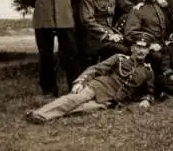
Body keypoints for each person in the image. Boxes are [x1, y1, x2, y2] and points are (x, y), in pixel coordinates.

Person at [25, 31, 156, 124]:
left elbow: (150, 92)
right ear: (132, 48)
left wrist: (147, 100)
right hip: (97, 86)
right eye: (138, 46)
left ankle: (42, 113)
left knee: (81, 109)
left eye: (145, 48)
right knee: (74, 99)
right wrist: (80, 82)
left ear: (149, 50)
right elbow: (95, 69)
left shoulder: (148, 71)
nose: (141, 51)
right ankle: (40, 115)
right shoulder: (119, 58)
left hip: (110, 101)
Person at [80, 0, 133, 66]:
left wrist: (142, 5)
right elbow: (88, 21)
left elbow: (129, 7)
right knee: (122, 50)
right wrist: (109, 35)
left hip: (111, 33)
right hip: (95, 37)